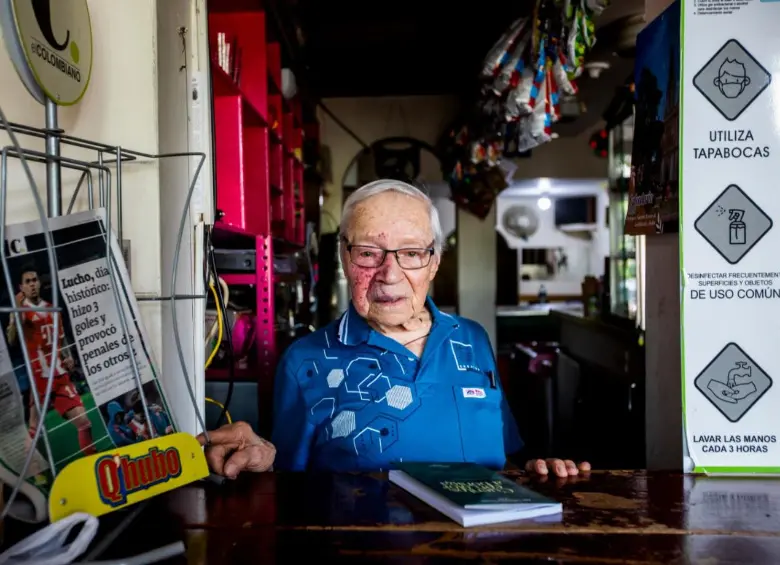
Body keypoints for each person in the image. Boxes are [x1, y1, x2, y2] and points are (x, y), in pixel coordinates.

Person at [200, 180, 589, 480]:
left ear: (433, 263)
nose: (389, 274)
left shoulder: (471, 339)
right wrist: (261, 457)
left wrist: (538, 471)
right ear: (344, 258)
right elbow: (288, 484)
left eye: (412, 253)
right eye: (369, 253)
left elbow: (504, 457)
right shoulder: (305, 361)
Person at [6, 265, 95, 456]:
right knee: (34, 431)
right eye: (27, 282)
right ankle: (33, 474)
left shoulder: (52, 310)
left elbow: (61, 339)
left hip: (60, 376)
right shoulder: (22, 313)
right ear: (21, 287)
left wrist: (68, 355)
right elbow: (12, 340)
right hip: (40, 380)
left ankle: (92, 461)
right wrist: (15, 313)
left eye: (34, 280)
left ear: (39, 283)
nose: (32, 285)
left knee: (84, 422)